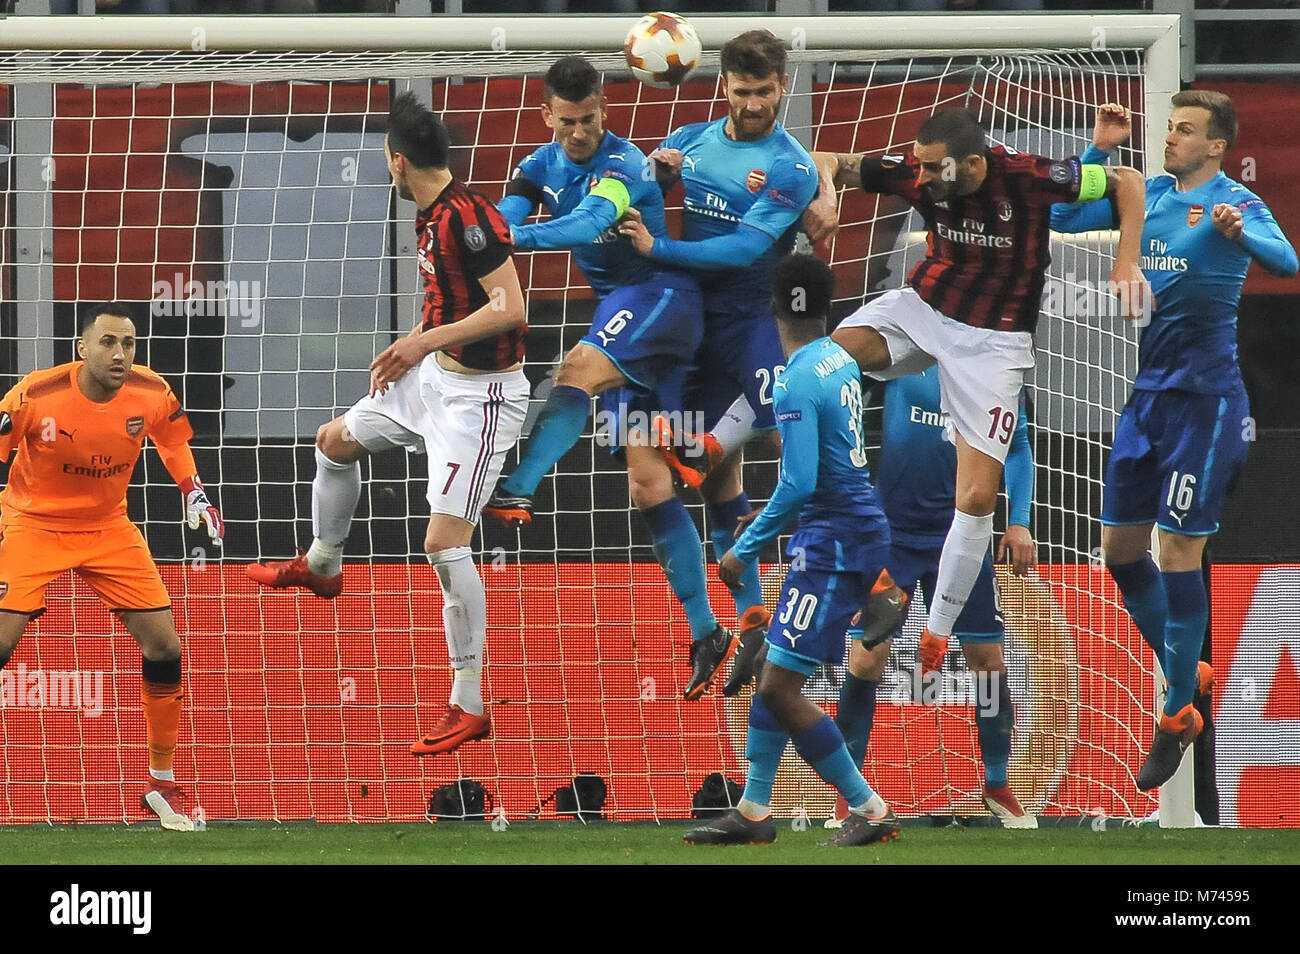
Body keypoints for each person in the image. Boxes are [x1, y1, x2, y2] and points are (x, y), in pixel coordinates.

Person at [805, 108, 1145, 696]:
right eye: (921, 164)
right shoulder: (914, 171)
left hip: (994, 342)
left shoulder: (1033, 175)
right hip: (925, 309)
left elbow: (1126, 184)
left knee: (976, 497)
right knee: (819, 366)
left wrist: (1125, 259)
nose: (924, 176)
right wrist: (828, 190)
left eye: (936, 167)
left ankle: (934, 635)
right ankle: (830, 508)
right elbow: (829, 159)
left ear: (973, 161)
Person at [246, 91, 530, 758]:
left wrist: (423, 344)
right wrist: (415, 345)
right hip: (434, 379)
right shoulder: (430, 214)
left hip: (482, 398)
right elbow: (450, 301)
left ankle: (469, 701)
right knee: (334, 442)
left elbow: (511, 307)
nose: (384, 167)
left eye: (384, 158)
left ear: (398, 161)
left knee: (443, 543)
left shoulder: (468, 218)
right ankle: (323, 564)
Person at [1051, 92, 1297, 789]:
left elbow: (1286, 258)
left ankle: (1175, 711)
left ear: (1216, 146)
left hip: (1207, 402)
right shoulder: (1147, 192)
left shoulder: (1234, 201)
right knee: (1119, 551)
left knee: (1176, 547)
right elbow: (1065, 214)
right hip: (1148, 398)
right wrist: (1100, 148)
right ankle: (1190, 673)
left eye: (1186, 131)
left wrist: (1239, 231)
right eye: (1169, 127)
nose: (1172, 138)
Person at [480, 56, 730, 700]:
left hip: (660, 299)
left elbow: (591, 222)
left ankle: (518, 486)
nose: (578, 133)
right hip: (631, 317)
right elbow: (508, 210)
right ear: (547, 116)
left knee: (575, 369)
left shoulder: (625, 164)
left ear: (602, 110)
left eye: (588, 120)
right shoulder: (538, 164)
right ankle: (708, 630)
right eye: (566, 123)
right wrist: (494, 227)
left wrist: (504, 237)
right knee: (648, 486)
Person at [619, 29, 821, 698]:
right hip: (689, 326)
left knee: (779, 450)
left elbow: (738, 253)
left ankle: (833, 595)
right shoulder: (691, 140)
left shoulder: (792, 167)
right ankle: (732, 626)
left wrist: (657, 246)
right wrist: (658, 179)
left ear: (782, 87)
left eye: (766, 91)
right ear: (724, 85)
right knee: (675, 482)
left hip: (750, 323)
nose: (755, 102)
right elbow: (637, 195)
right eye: (744, 90)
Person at [683, 254, 900, 848]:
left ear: (773, 306)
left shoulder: (797, 378)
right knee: (771, 668)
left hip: (835, 541)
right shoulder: (838, 359)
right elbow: (815, 473)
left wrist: (744, 548)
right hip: (839, 528)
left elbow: (799, 481)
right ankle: (753, 811)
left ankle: (869, 808)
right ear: (827, 305)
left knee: (779, 686)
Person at [0, 302, 225, 831]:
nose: (120, 353)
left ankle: (161, 784)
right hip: (35, 524)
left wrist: (194, 493)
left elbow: (172, 442)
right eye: (107, 343)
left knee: (165, 646)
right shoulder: (36, 393)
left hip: (108, 528)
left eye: (128, 343)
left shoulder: (152, 391)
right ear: (82, 349)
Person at [831, 371, 1039, 828]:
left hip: (964, 535)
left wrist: (1019, 520)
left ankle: (998, 785)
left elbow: (1018, 446)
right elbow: (841, 409)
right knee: (867, 657)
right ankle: (851, 795)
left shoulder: (991, 367)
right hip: (892, 536)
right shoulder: (899, 355)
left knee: (987, 660)